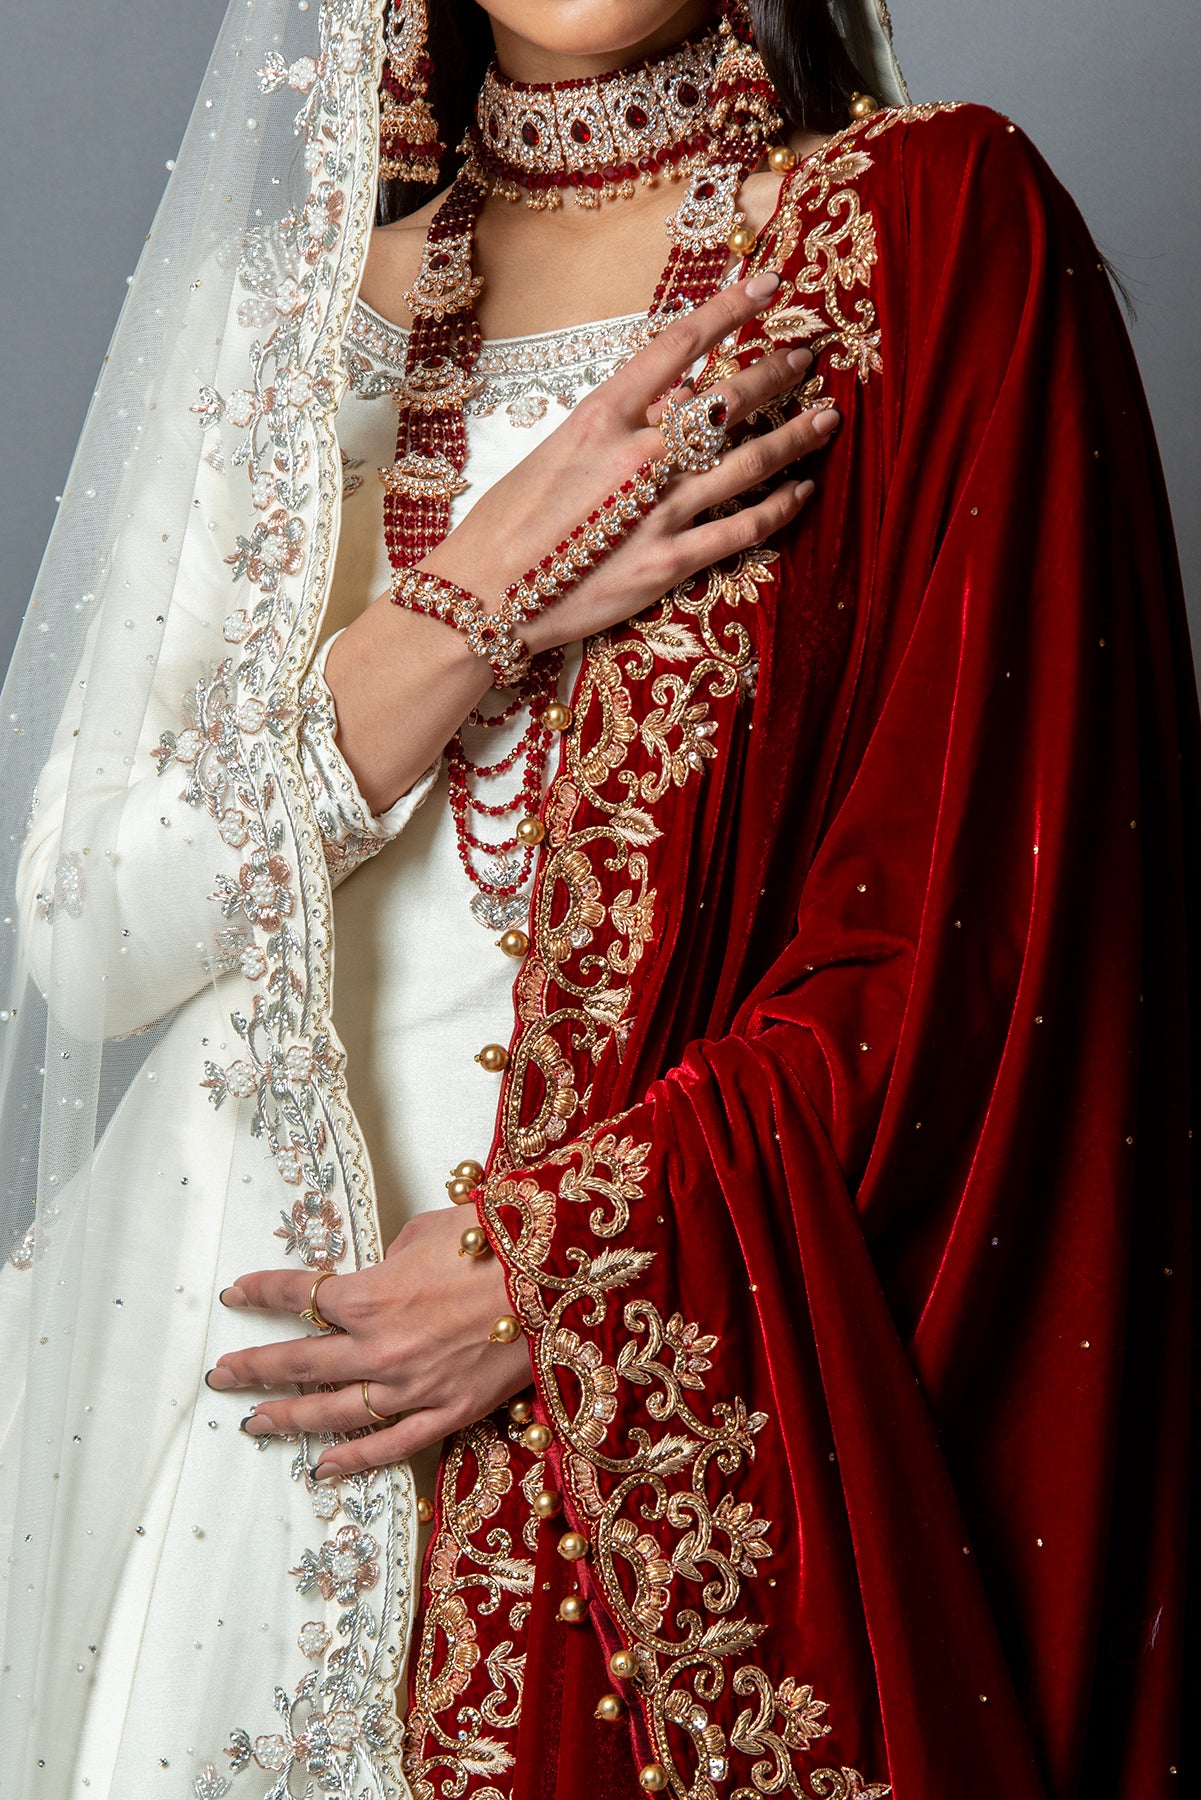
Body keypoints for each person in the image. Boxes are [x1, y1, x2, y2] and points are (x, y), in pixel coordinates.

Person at [0, 0, 1194, 1795]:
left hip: (651, 1415)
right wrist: (474, 603)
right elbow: (83, 939)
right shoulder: (281, 312)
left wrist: (546, 1270)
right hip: (240, 1423)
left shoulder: (920, 238)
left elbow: (1001, 949)